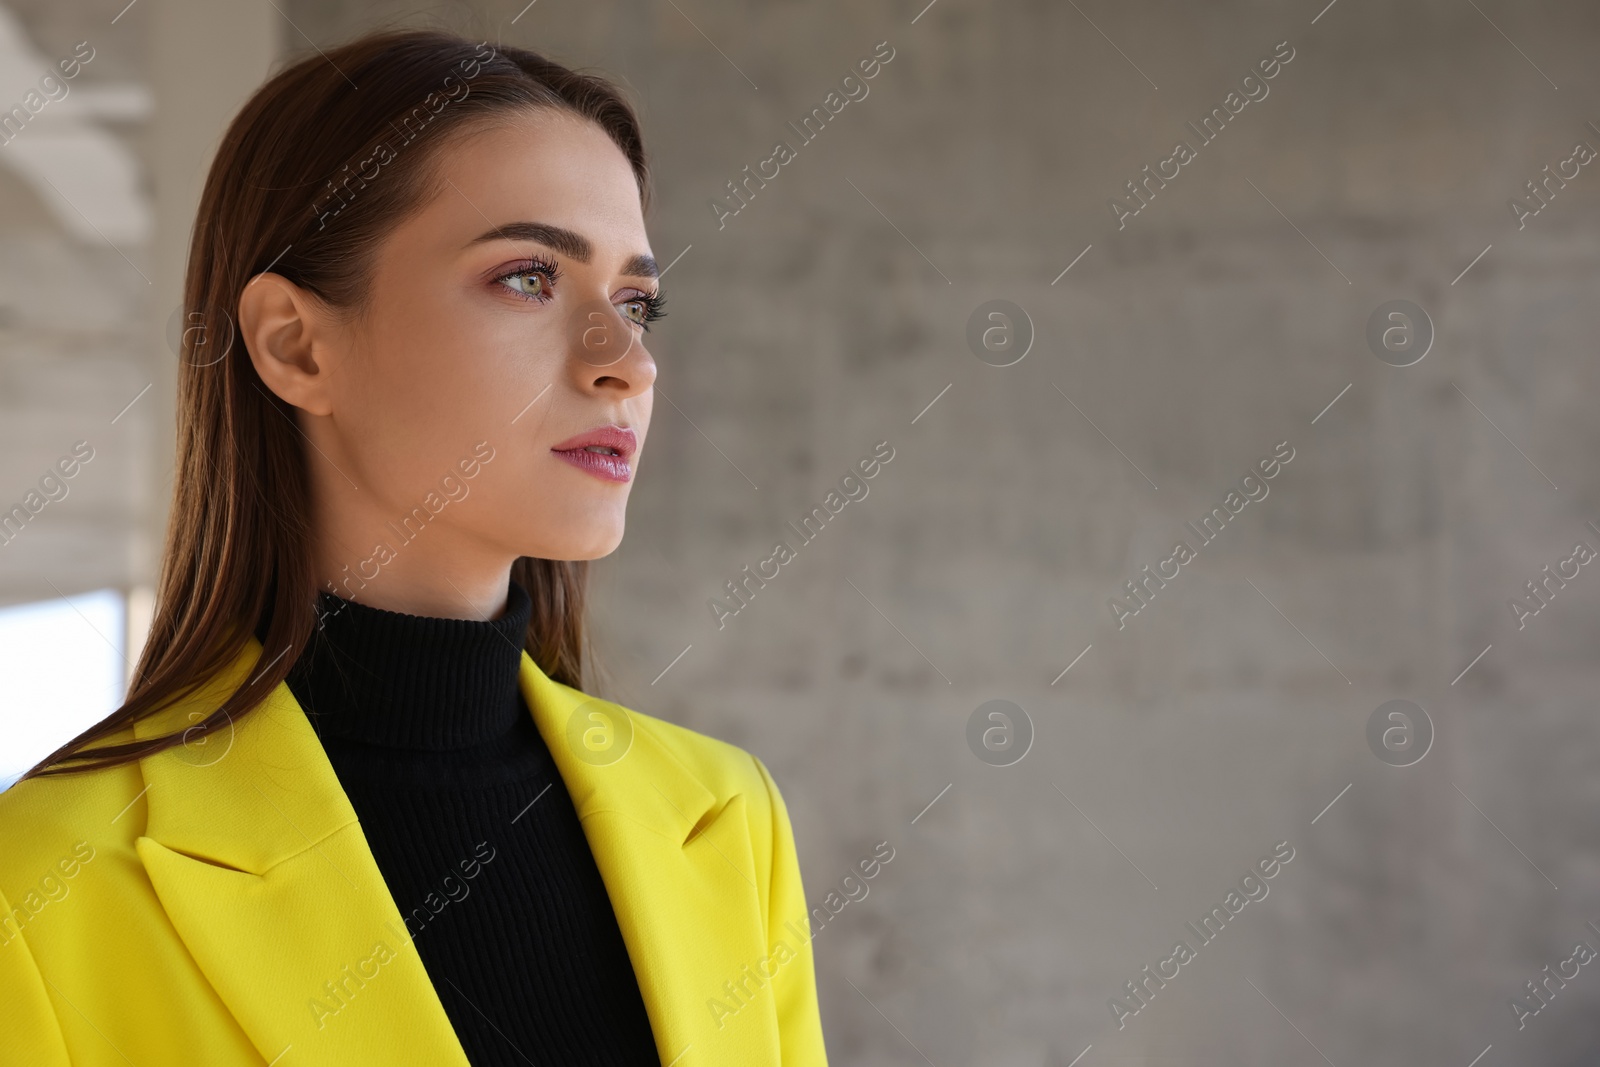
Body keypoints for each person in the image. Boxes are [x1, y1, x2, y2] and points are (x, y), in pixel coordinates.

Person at [0, 27, 827, 1066]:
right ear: (295, 344)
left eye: (635, 302)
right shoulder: (45, 885)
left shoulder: (725, 819)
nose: (628, 362)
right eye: (529, 277)